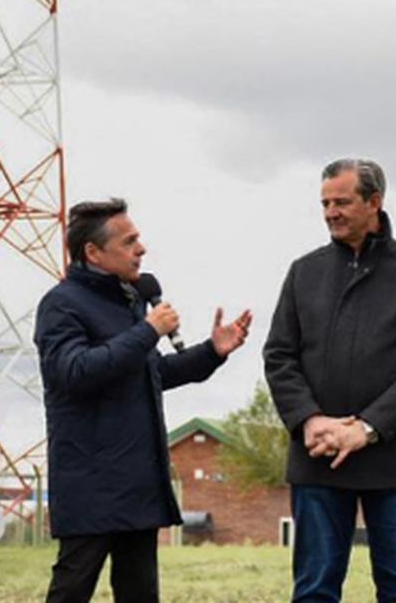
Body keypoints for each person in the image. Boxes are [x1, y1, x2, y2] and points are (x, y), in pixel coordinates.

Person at [34, 198, 253, 603]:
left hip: (138, 479)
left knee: (140, 593)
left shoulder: (131, 301)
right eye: (129, 241)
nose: (142, 249)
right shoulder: (61, 304)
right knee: (72, 589)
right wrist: (148, 331)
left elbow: (151, 374)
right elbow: (74, 373)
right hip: (92, 481)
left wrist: (212, 351)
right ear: (94, 253)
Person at [264, 158, 396, 603]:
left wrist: (364, 429)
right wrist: (309, 420)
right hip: (318, 457)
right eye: (325, 202)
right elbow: (279, 355)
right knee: (313, 589)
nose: (331, 212)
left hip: (395, 462)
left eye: (342, 201)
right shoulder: (303, 272)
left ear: (375, 202)